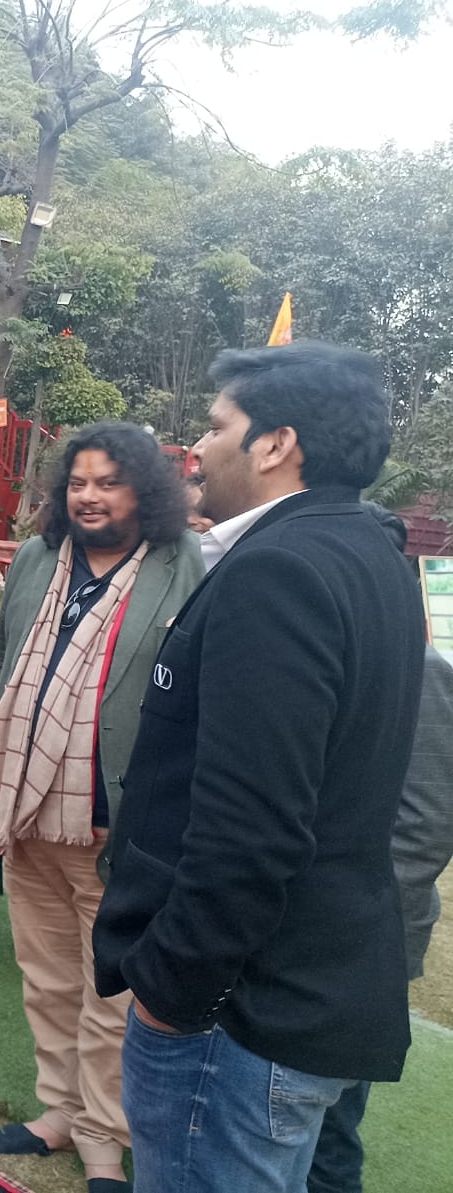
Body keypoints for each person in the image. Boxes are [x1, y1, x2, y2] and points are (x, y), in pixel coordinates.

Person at [92, 341, 426, 1193]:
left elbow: (251, 827)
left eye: (215, 427)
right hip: (302, 989)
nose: (195, 450)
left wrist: (173, 992)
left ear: (277, 443)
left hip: (238, 1016)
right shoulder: (371, 551)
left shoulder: (277, 569)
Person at [0, 422, 203, 1193]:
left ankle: (104, 1135)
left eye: (108, 480)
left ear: (145, 489)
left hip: (115, 819)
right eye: (79, 480)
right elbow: (7, 660)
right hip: (28, 805)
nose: (90, 494)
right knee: (46, 976)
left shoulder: (181, 566)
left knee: (113, 989)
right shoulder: (41, 558)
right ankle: (58, 1111)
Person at [307, 504, 453, 1193]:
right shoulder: (327, 650)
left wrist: (353, 914)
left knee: (333, 1114)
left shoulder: (420, 669)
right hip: (314, 923)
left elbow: (425, 824)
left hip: (370, 931)